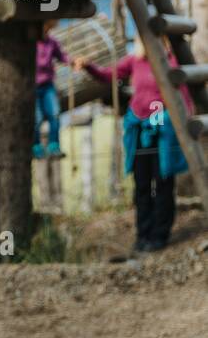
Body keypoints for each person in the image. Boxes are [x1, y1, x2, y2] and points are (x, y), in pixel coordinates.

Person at [74, 35, 192, 253]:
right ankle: (142, 234)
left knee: (163, 181)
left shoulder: (170, 62)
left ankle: (160, 234)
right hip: (137, 125)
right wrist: (89, 66)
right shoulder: (134, 61)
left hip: (161, 126)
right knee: (142, 183)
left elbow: (182, 94)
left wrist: (176, 120)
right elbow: (109, 74)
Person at [34, 20, 69, 158]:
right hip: (34, 86)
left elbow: (62, 56)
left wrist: (72, 61)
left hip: (47, 84)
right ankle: (36, 146)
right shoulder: (33, 43)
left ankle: (54, 145)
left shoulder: (52, 42)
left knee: (54, 114)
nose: (46, 32)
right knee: (37, 118)